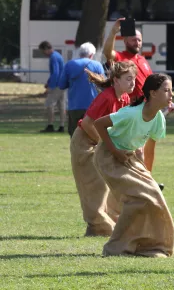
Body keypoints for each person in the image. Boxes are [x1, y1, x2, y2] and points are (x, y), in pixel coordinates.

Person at [93, 73, 174, 258]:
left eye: (171, 91)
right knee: (138, 199)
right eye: (167, 90)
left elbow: (150, 150)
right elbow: (99, 124)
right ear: (153, 93)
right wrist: (114, 151)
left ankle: (150, 245)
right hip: (108, 157)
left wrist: (148, 176)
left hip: (129, 158)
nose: (171, 95)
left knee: (153, 195)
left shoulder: (159, 119)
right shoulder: (131, 113)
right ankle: (115, 249)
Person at [70, 61, 137, 237]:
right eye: (128, 79)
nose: (133, 83)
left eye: (134, 79)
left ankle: (112, 221)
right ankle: (99, 228)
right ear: (116, 81)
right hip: (85, 142)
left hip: (101, 142)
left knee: (114, 181)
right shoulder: (106, 97)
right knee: (95, 185)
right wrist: (107, 145)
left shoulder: (125, 99)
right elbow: (87, 123)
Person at [58, 42, 105, 137]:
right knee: (93, 136)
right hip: (93, 107)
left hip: (74, 107)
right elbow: (104, 85)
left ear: (80, 53)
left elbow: (61, 85)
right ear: (91, 55)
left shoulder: (69, 65)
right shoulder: (97, 65)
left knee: (75, 136)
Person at [103, 17, 152, 101]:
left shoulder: (143, 60)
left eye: (139, 40)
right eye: (133, 40)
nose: (137, 43)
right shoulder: (120, 57)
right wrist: (113, 32)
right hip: (126, 106)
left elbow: (152, 82)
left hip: (144, 106)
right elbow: (107, 52)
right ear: (125, 42)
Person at [39, 41, 66, 133]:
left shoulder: (53, 57)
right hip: (63, 84)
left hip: (56, 85)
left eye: (43, 51)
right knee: (61, 105)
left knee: (49, 104)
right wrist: (48, 82)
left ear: (46, 49)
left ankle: (50, 125)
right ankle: (62, 126)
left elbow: (55, 73)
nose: (43, 53)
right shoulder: (58, 55)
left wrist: (50, 86)